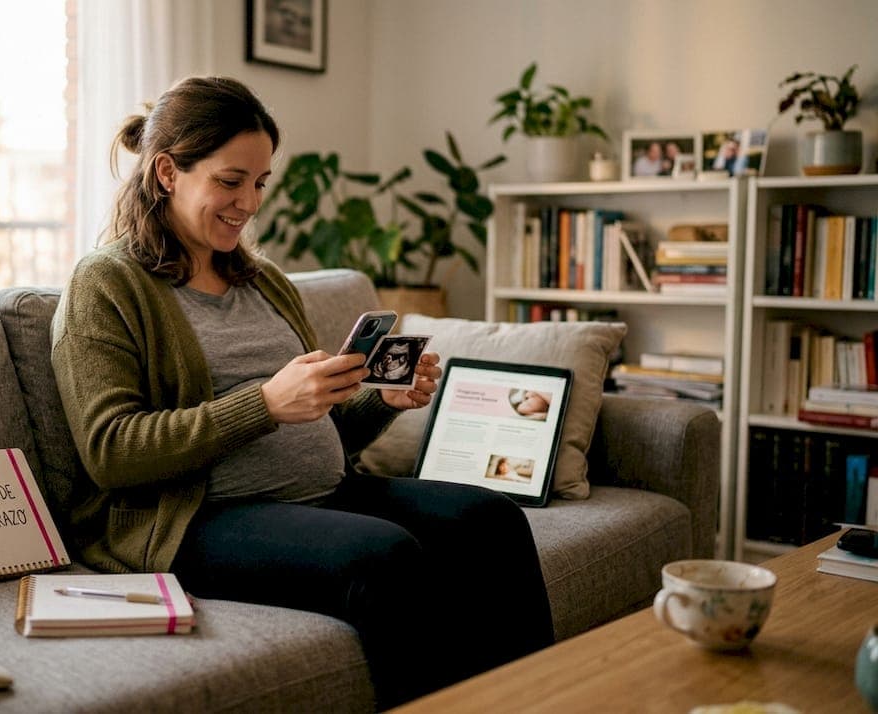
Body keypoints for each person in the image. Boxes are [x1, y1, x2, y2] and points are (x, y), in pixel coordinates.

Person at [51, 76, 553, 709]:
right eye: (230, 181)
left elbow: (324, 429)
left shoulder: (263, 280)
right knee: (384, 558)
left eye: (260, 183)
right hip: (196, 518)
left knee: (490, 520)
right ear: (168, 172)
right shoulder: (106, 283)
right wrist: (263, 404)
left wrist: (377, 401)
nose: (249, 203)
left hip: (324, 491)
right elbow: (111, 451)